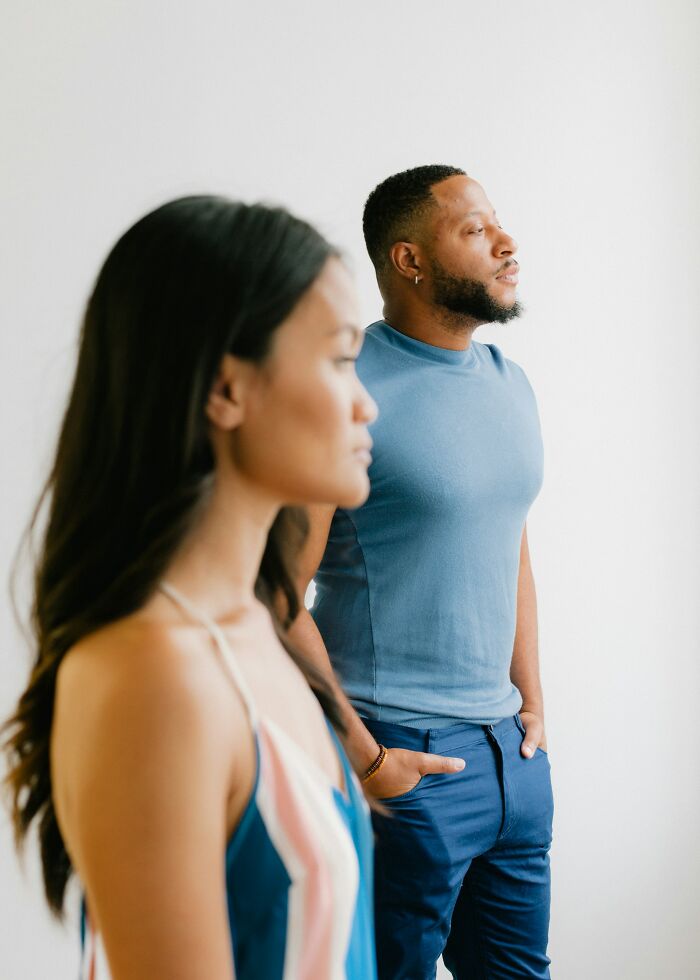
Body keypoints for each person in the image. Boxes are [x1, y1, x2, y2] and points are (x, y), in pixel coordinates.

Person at [2, 196, 380, 980]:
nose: (365, 401)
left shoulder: (253, 628)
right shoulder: (153, 675)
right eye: (342, 358)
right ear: (226, 388)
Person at [288, 165, 554, 979]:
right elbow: (275, 597)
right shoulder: (347, 385)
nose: (505, 242)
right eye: (474, 230)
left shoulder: (511, 384)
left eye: (497, 223)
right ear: (408, 261)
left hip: (513, 759)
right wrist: (367, 759)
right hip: (402, 760)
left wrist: (531, 704)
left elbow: (510, 543)